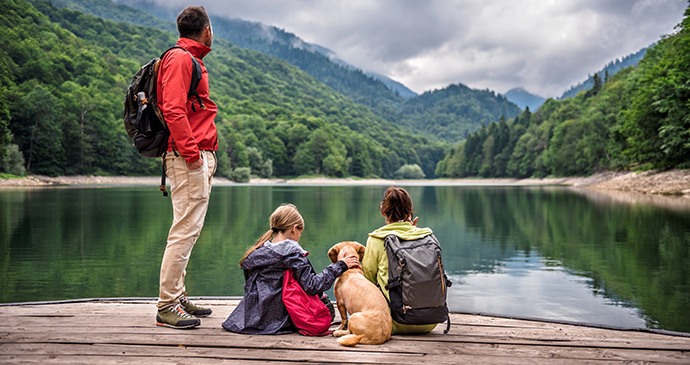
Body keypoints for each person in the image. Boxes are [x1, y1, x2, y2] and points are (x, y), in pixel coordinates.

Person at [155, 6, 219, 329]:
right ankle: (167, 305)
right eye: (212, 27)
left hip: (190, 157)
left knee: (188, 231)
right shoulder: (181, 59)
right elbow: (173, 110)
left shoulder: (190, 59)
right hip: (186, 158)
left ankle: (177, 297)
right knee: (183, 231)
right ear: (206, 29)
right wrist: (193, 155)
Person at [222, 204, 359, 334]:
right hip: (282, 319)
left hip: (252, 317)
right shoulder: (293, 255)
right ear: (294, 229)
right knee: (325, 305)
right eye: (300, 232)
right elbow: (313, 286)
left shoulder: (256, 253)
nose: (299, 237)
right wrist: (340, 266)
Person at [361, 186, 438, 334]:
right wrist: (413, 234)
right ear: (410, 211)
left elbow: (368, 281)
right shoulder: (426, 236)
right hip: (430, 321)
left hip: (392, 321)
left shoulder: (376, 239)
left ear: (383, 211)